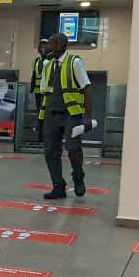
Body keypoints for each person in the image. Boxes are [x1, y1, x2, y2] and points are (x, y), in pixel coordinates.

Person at [37, 33, 95, 199]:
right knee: (50, 152)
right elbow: (44, 94)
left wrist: (88, 118)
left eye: (51, 44)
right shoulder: (47, 65)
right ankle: (58, 186)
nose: (47, 47)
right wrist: (40, 119)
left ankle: (78, 176)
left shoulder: (75, 62)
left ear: (62, 45)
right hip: (51, 115)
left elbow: (87, 89)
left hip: (72, 114)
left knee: (73, 148)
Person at [29, 38, 50, 143]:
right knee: (39, 114)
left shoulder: (50, 61)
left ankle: (45, 138)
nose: (43, 49)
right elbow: (33, 75)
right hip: (38, 93)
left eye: (45, 46)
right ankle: (39, 138)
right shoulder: (36, 61)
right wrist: (31, 90)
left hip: (47, 94)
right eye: (41, 46)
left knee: (44, 115)